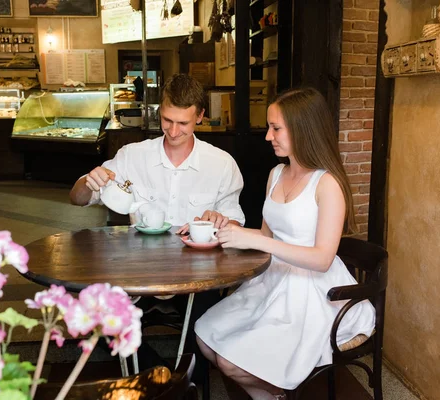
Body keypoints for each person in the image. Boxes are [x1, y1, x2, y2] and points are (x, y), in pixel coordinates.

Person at [194, 87, 376, 400]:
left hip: (314, 291)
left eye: (276, 128)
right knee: (204, 337)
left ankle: (279, 392)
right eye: (269, 127)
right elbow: (266, 235)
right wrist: (227, 229)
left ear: (304, 130)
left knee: (230, 362)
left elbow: (321, 259)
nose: (268, 136)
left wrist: (255, 240)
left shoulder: (327, 183)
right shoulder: (276, 174)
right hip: (273, 279)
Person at [70, 73, 245, 231]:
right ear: (160, 110)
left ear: (200, 117)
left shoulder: (222, 164)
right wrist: (88, 182)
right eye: (167, 120)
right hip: (142, 261)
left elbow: (234, 220)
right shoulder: (132, 156)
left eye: (183, 123)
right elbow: (77, 199)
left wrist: (221, 221)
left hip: (198, 263)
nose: (174, 132)